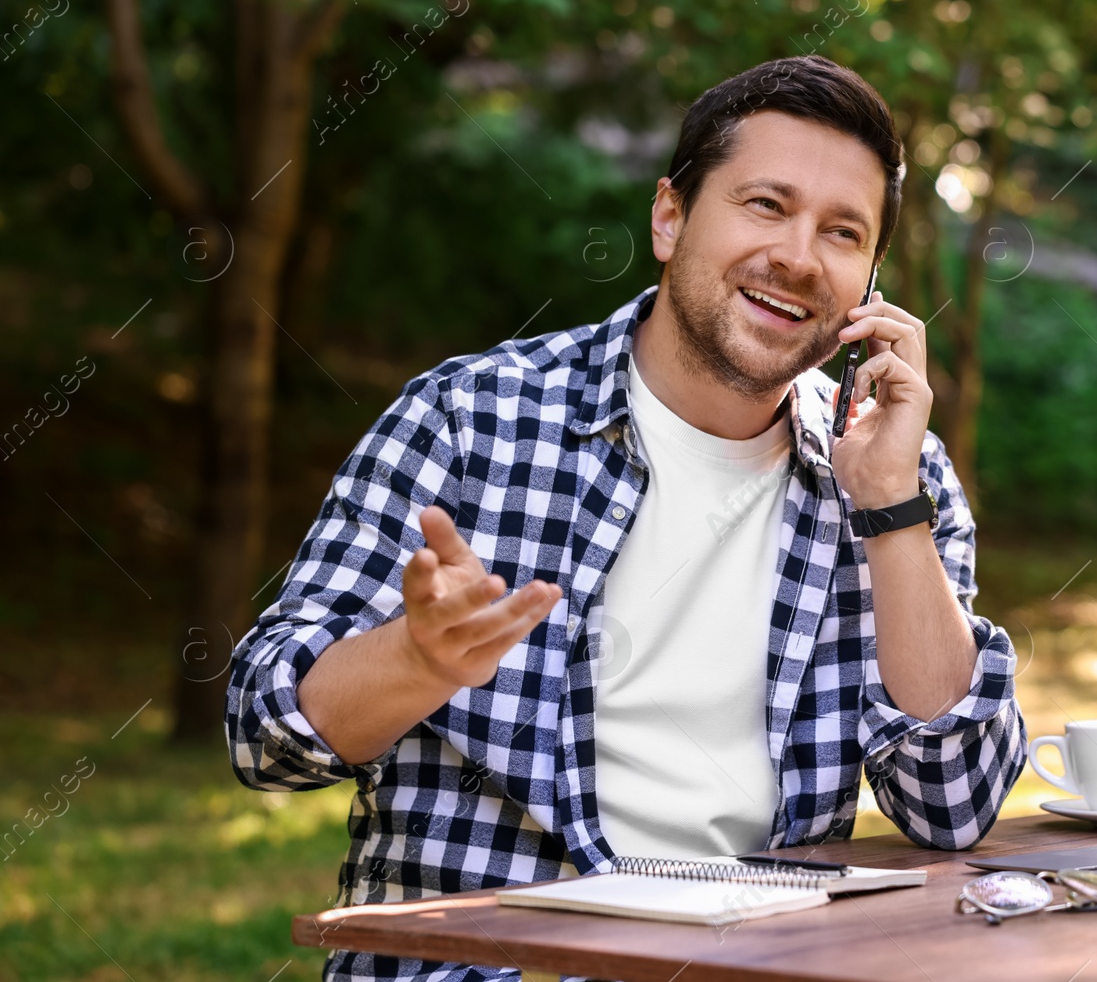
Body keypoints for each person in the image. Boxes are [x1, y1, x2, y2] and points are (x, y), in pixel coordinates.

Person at [226, 54, 1025, 982]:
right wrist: (416, 659)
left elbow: (953, 806)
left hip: (754, 965)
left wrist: (891, 509)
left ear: (869, 286)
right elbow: (263, 734)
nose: (799, 257)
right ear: (669, 216)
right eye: (765, 205)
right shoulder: (469, 419)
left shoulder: (896, 467)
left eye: (842, 232)